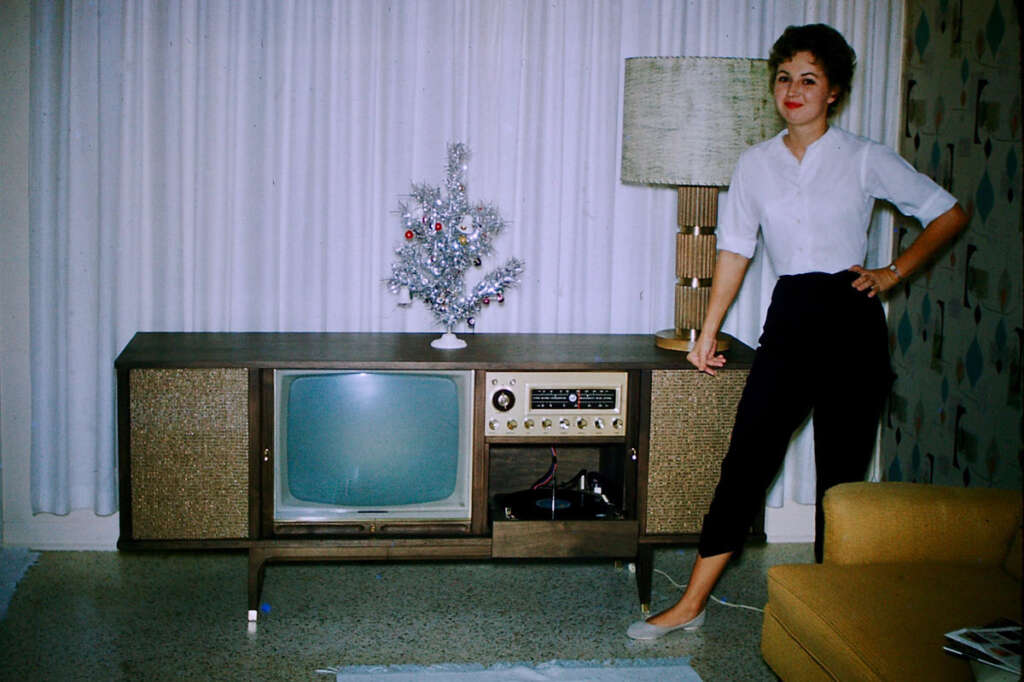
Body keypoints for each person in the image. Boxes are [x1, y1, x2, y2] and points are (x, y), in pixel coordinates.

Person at [627, 23, 968, 640]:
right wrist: (708, 332)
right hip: (789, 319)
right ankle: (692, 604)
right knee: (746, 461)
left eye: (808, 78)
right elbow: (733, 251)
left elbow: (948, 212)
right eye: (784, 77)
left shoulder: (865, 157)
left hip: (852, 320)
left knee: (841, 478)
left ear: (833, 90)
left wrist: (893, 271)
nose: (793, 89)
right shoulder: (754, 164)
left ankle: (832, 610)